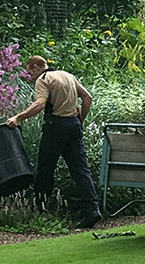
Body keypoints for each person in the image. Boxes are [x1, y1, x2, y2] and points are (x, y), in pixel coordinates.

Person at [6, 56, 102, 229]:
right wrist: (81, 120)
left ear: (36, 67)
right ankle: (92, 210)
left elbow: (40, 104)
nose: (31, 77)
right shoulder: (68, 75)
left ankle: (41, 211)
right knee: (81, 170)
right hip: (73, 125)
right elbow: (87, 98)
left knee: (45, 169)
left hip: (55, 127)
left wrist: (18, 117)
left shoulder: (44, 80)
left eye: (30, 72)